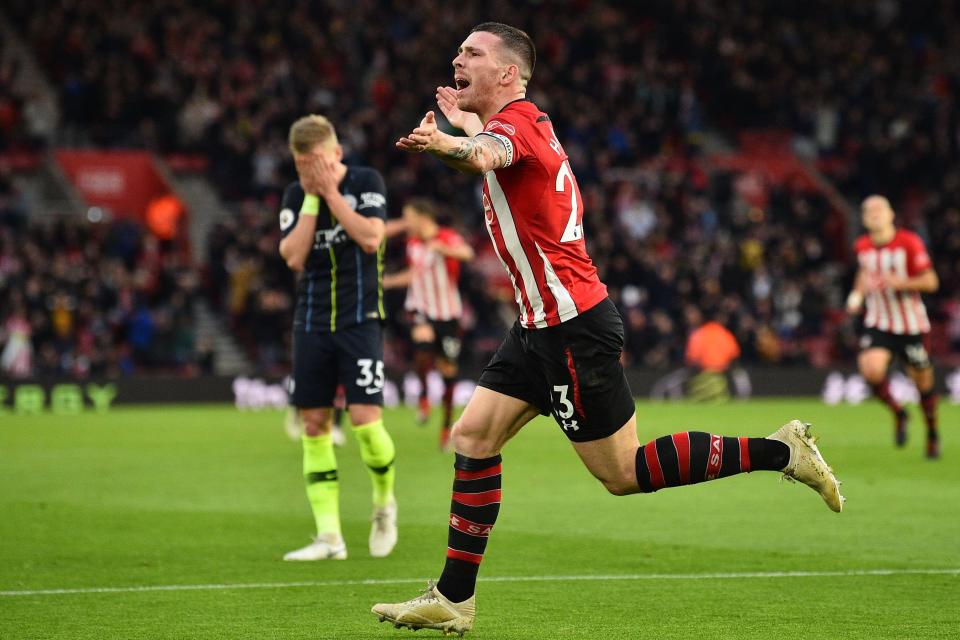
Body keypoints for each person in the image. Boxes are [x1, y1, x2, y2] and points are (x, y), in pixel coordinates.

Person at [372, 23, 843, 636]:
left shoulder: (516, 126)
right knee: (473, 436)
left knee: (623, 475)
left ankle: (783, 451)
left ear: (508, 73)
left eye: (472, 53)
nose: (457, 59)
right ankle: (453, 599)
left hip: (573, 330)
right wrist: (460, 127)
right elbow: (490, 147)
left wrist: (444, 144)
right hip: (538, 327)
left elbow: (488, 154)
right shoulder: (520, 124)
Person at [278, 114, 397, 561]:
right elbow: (292, 255)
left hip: (360, 319)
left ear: (337, 154)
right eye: (303, 165)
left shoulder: (366, 181)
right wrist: (312, 198)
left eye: (320, 163)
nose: (312, 172)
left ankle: (384, 505)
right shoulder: (296, 195)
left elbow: (370, 238)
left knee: (367, 422)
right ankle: (329, 538)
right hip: (310, 323)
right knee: (314, 425)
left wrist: (330, 192)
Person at [846, 195, 941, 459]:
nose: (874, 213)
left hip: (911, 326)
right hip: (879, 322)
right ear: (864, 219)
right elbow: (864, 272)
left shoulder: (909, 242)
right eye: (869, 210)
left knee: (923, 383)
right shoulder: (862, 245)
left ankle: (932, 433)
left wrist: (902, 283)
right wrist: (857, 295)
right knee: (871, 370)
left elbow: (931, 281)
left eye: (879, 208)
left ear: (891, 215)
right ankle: (899, 413)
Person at [384, 198, 475, 448]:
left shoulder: (446, 236)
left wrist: (443, 250)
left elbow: (467, 253)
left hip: (448, 314)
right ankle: (423, 394)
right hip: (421, 309)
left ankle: (446, 426)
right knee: (423, 349)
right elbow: (415, 274)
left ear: (422, 217)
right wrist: (389, 282)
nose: (406, 223)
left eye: (408, 217)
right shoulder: (412, 243)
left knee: (448, 372)